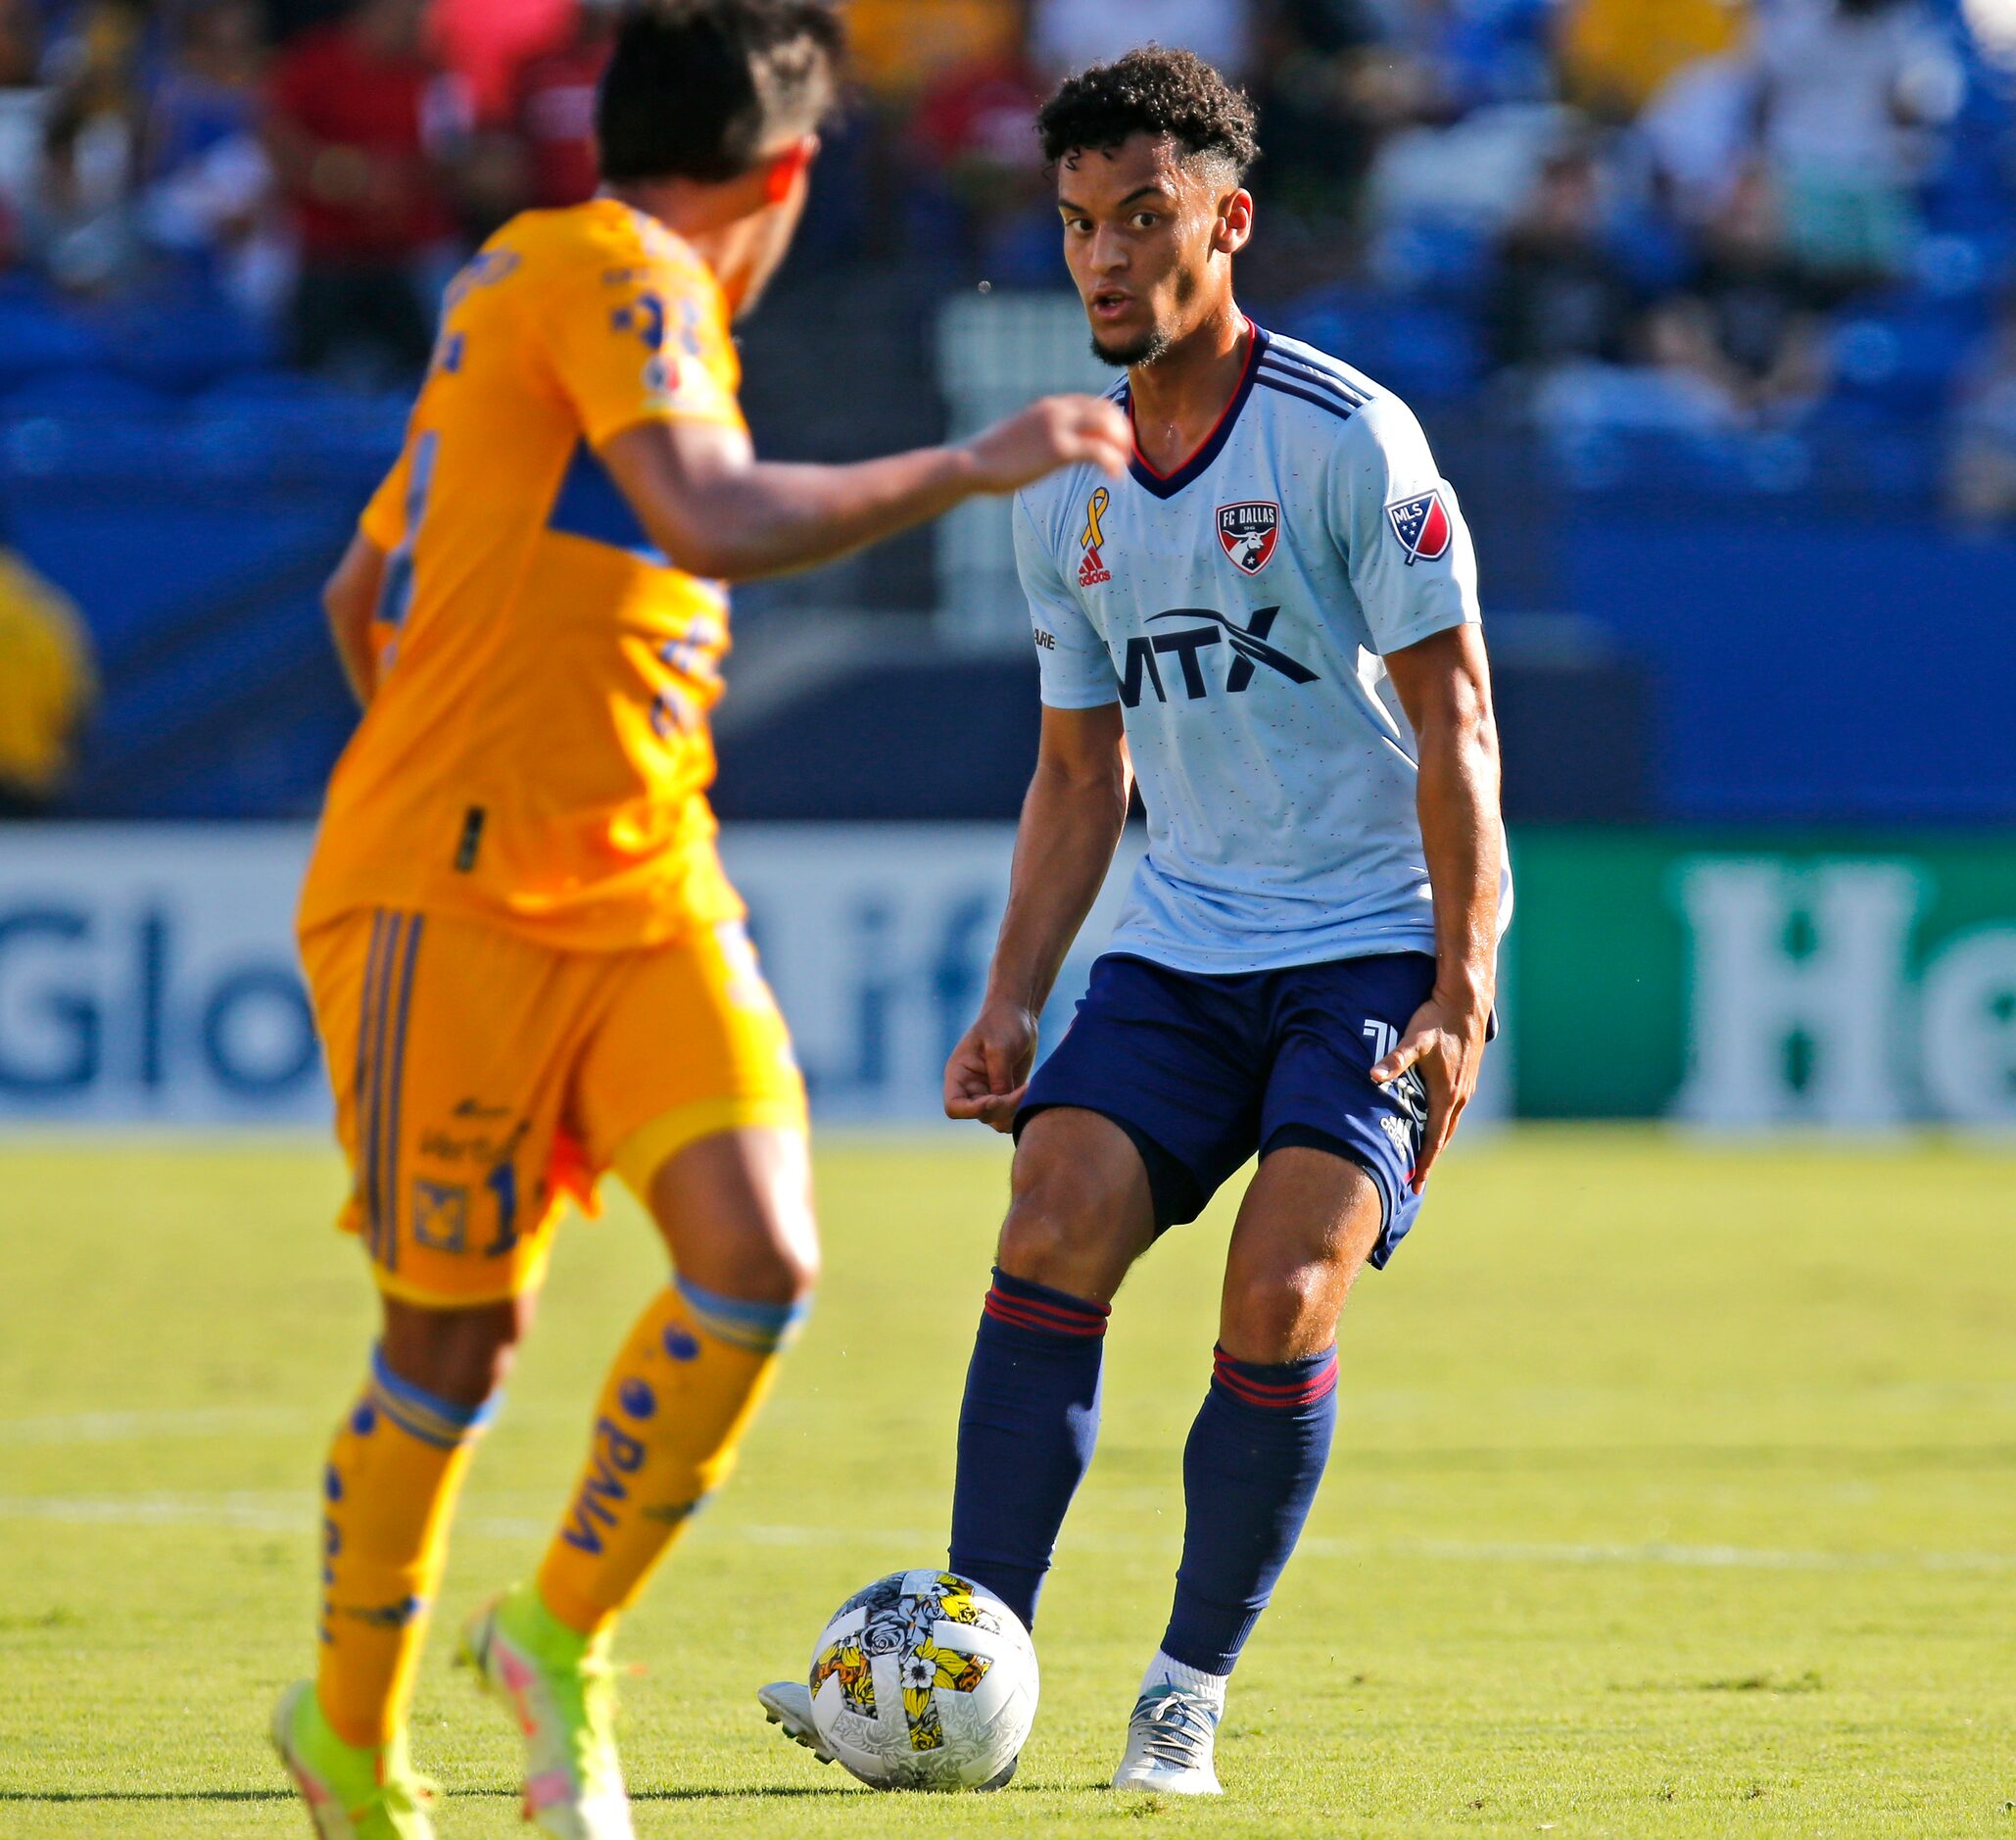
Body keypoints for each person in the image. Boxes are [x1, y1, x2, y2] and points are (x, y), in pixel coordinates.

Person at [271, 3, 1129, 1836]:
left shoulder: (549, 295)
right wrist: (976, 462)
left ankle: (556, 1636)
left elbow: (366, 585)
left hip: (642, 874)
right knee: (455, 1341)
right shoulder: (626, 275)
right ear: (794, 173)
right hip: (461, 896)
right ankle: (345, 1725)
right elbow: (711, 515)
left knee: (755, 1260)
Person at [760, 44, 1508, 1795]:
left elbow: (1460, 718)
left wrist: (1463, 982)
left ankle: (1184, 1689)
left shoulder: (1349, 438)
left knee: (1284, 1285)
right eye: (1078, 221)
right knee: (1053, 1205)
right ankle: (959, 1661)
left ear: (1227, 222)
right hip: (1180, 944)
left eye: (1143, 218)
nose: (1101, 257)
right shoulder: (1065, 483)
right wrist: (1012, 995)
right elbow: (1077, 775)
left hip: (1369, 945)